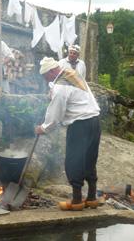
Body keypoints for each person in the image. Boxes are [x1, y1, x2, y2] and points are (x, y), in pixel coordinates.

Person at [35, 57, 101, 211]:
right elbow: (73, 96)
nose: (46, 81)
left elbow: (56, 115)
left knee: (74, 161)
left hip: (80, 125)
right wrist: (53, 95)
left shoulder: (60, 87)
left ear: (52, 71)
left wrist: (43, 128)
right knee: (89, 159)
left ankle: (77, 201)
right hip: (94, 121)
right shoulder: (72, 74)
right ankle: (91, 198)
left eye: (46, 77)